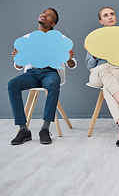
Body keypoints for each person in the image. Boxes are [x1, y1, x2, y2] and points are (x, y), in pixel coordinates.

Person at [8, 8, 77, 145]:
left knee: (53, 83)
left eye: (50, 15)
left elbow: (72, 64)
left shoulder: (60, 38)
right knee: (12, 84)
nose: (45, 14)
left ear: (53, 24)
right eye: (44, 12)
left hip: (50, 72)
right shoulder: (27, 38)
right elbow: (19, 66)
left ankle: (45, 129)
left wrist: (68, 58)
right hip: (32, 73)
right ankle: (23, 130)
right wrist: (17, 58)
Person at [85, 7, 119, 147]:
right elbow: (89, 65)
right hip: (98, 73)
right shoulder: (95, 37)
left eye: (112, 14)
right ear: (101, 21)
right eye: (106, 15)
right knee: (103, 68)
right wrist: (94, 55)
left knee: (107, 88)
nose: (110, 17)